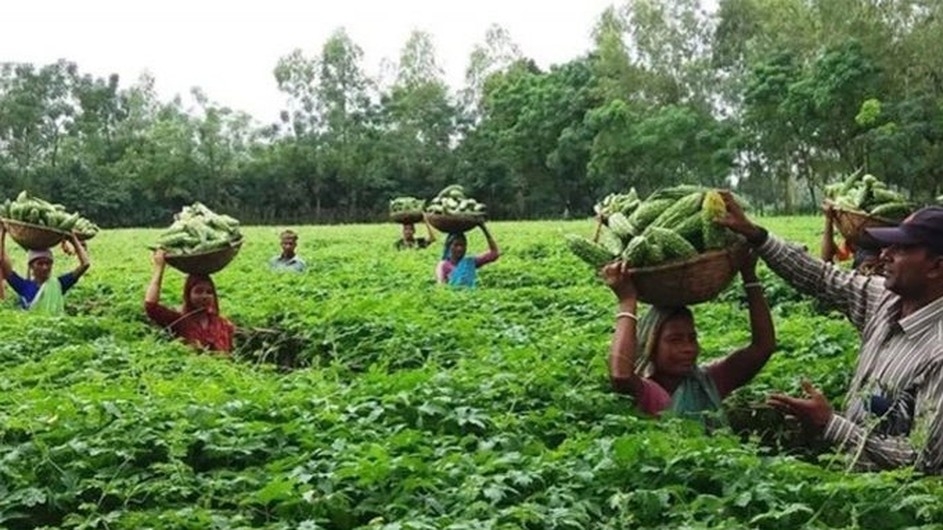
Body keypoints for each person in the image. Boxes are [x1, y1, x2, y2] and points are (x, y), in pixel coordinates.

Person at [717, 196, 943, 473]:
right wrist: (757, 235)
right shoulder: (883, 299)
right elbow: (821, 277)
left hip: (888, 505)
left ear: (936, 266)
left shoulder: (938, 351)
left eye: (902, 248)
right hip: (843, 472)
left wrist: (830, 423)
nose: (885, 254)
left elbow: (924, 460)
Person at [601, 252, 776, 425]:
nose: (688, 348)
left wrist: (749, 276)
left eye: (692, 338)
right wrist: (626, 300)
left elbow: (762, 347)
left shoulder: (707, 383)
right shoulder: (645, 392)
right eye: (675, 340)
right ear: (650, 344)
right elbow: (620, 375)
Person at [145, 249, 235, 354]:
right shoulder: (180, 321)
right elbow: (151, 306)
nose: (204, 296)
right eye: (198, 291)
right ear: (188, 294)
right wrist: (159, 268)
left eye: (209, 292)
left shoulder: (224, 325)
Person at [0, 225, 91, 314]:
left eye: (48, 263)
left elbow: (85, 264)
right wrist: (3, 233)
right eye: (40, 263)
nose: (45, 267)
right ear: (31, 266)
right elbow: (2, 260)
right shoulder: (23, 286)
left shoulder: (59, 284)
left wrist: (73, 238)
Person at [821, 203, 883, 275]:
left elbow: (826, 261)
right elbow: (826, 259)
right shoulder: (853, 241)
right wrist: (829, 220)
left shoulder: (886, 248)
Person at [435, 224, 500, 288]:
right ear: (449, 246)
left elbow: (494, 253)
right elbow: (441, 286)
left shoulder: (470, 262)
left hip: (470, 297)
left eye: (463, 245)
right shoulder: (443, 265)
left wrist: (484, 229)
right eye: (456, 245)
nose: (460, 248)